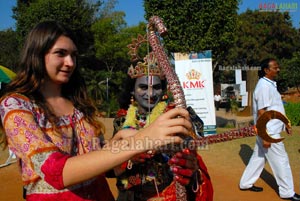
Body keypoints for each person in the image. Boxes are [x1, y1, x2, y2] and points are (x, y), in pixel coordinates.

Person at [0, 21, 192, 200]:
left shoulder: (78, 104)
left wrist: (120, 144)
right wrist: (139, 140)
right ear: (37, 54)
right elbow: (56, 172)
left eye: (74, 55)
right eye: (61, 53)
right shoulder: (16, 106)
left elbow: (98, 162)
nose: (70, 63)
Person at [112, 45, 213, 200]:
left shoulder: (175, 116)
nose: (151, 94)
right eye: (143, 87)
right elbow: (108, 168)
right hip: (130, 194)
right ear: (132, 90)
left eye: (157, 87)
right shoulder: (121, 121)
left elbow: (195, 144)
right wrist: (128, 157)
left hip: (168, 194)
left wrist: (189, 162)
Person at [239, 58, 300, 201]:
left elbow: (275, 109)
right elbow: (262, 112)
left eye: (278, 67)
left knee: (258, 158)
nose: (278, 69)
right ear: (266, 70)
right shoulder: (263, 87)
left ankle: (245, 183)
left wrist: (285, 123)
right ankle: (287, 192)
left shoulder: (269, 85)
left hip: (269, 129)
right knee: (281, 160)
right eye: (275, 67)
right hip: (269, 132)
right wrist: (265, 136)